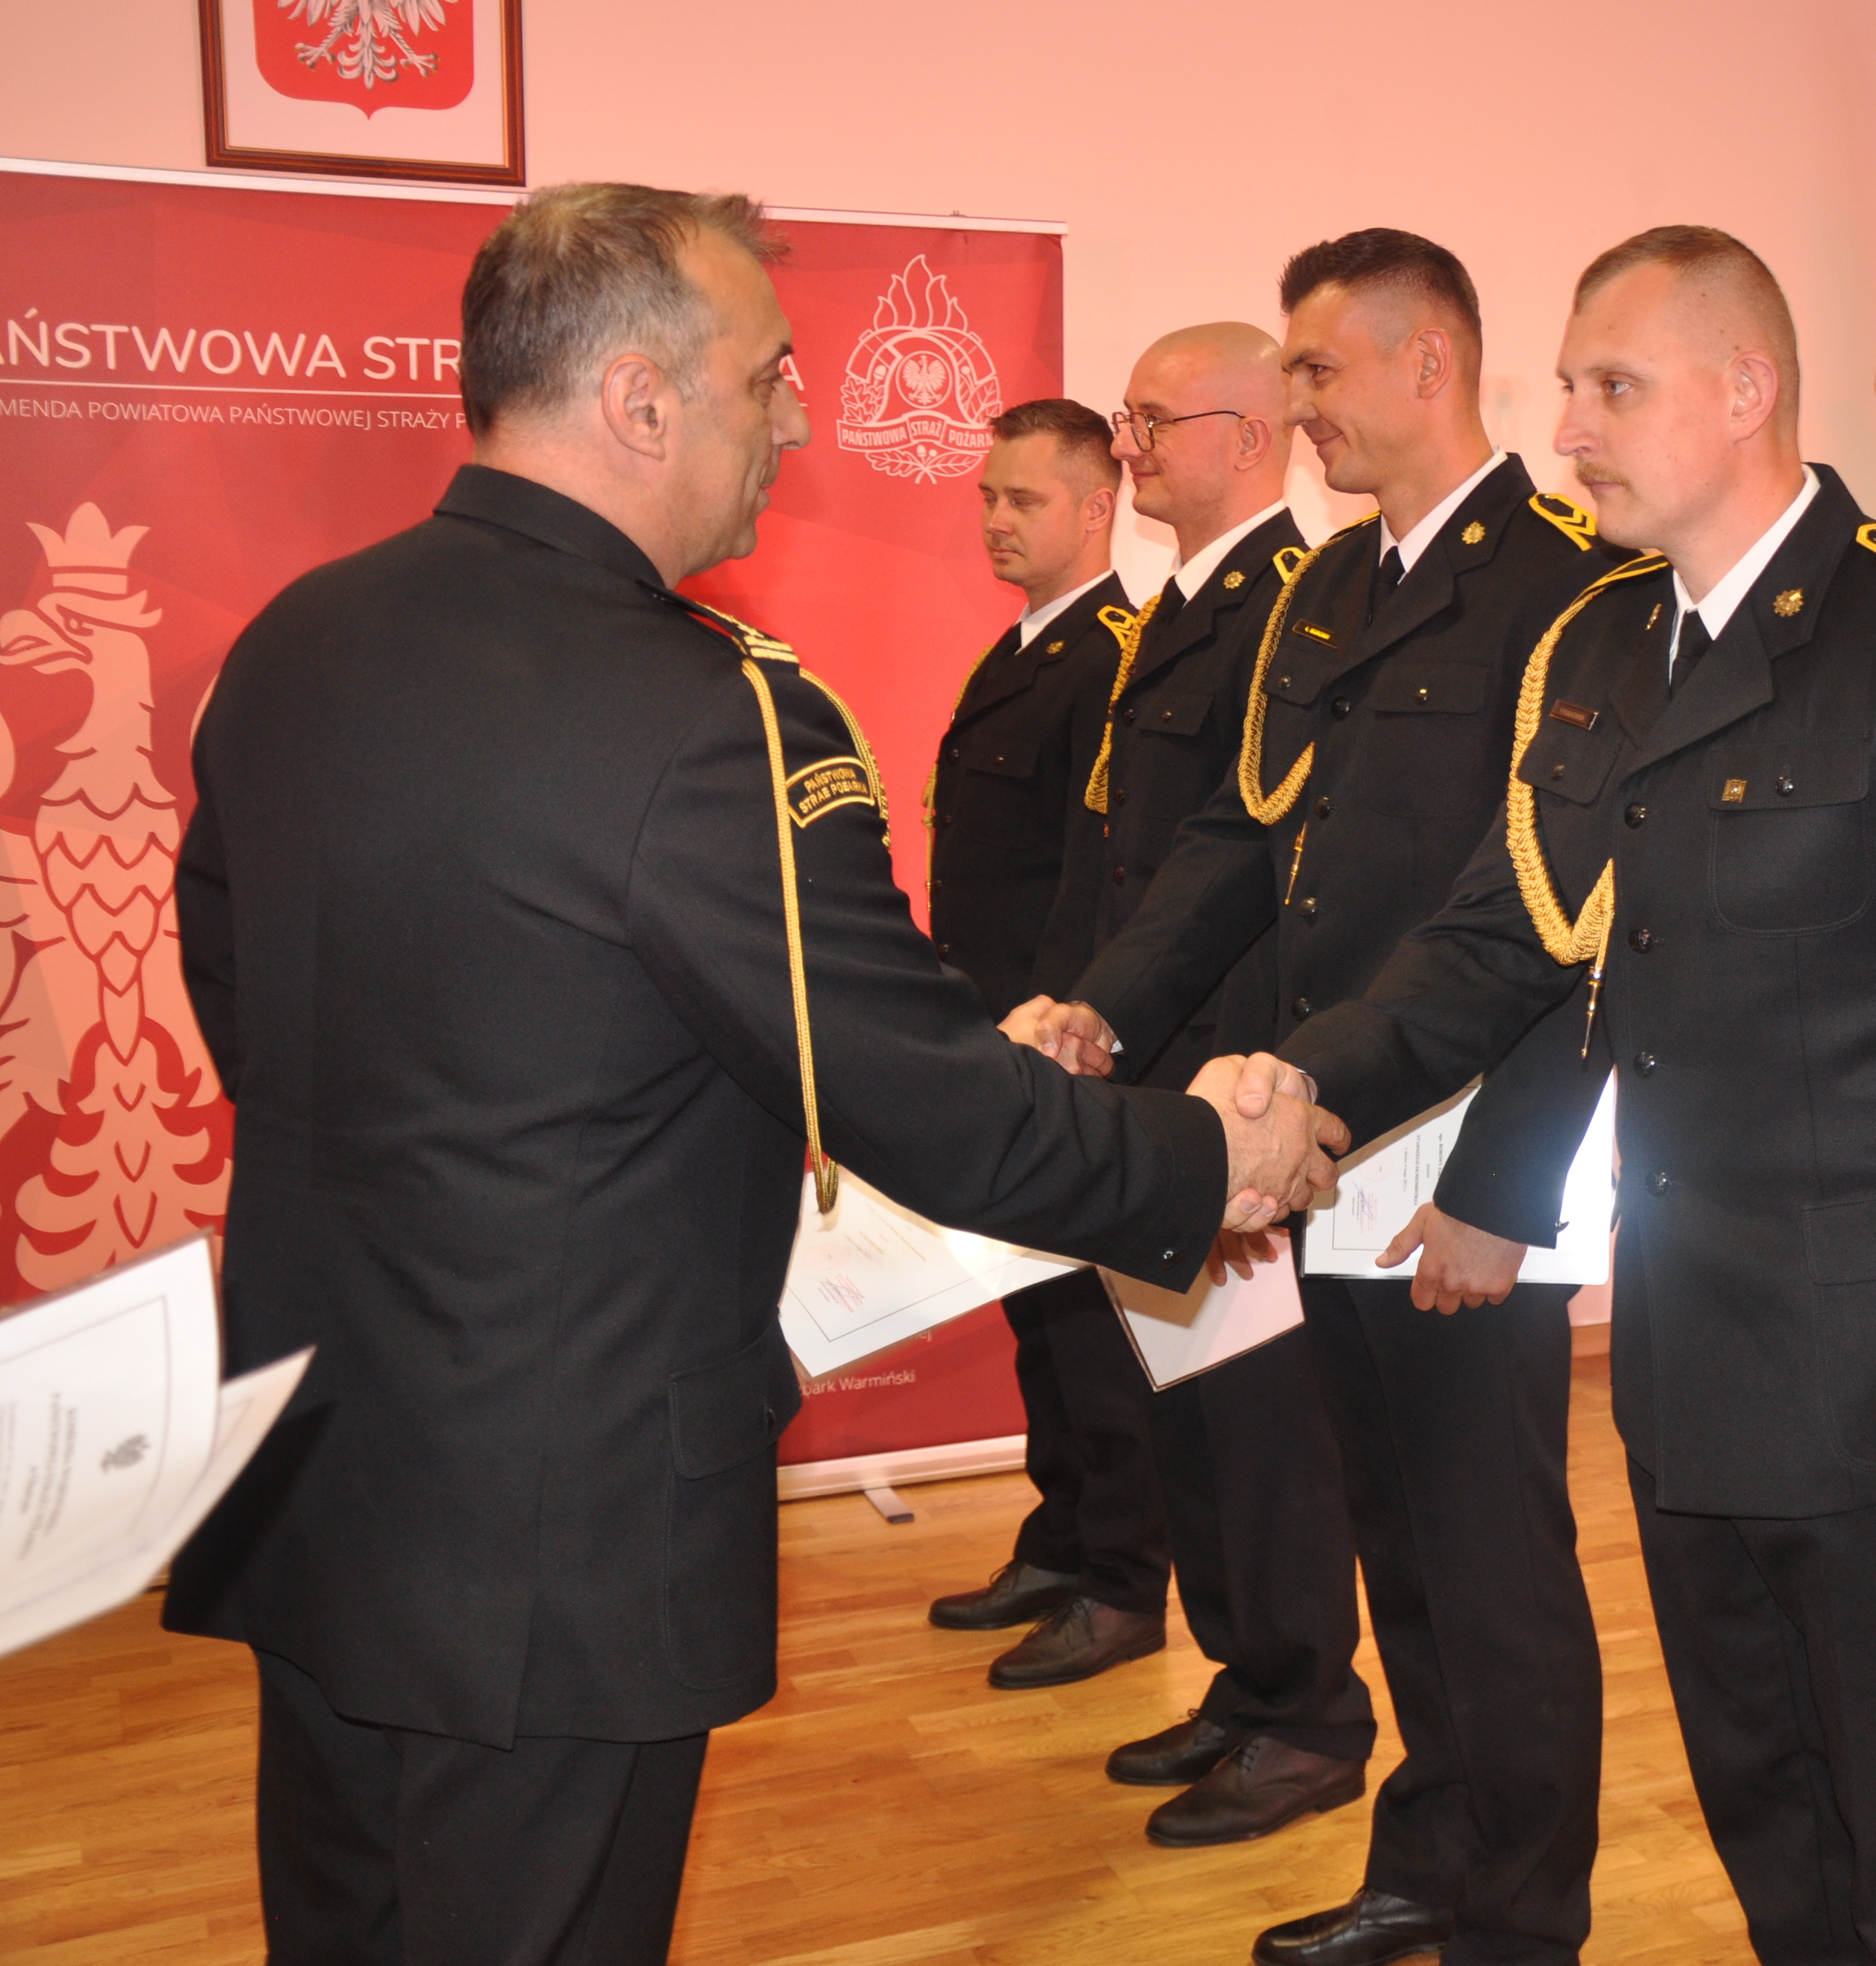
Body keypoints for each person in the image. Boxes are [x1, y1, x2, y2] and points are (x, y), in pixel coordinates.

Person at [160, 182, 1336, 1966]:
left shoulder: (298, 638)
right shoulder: (706, 715)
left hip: (327, 1460)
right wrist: (1204, 1155)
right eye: (771, 375)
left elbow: (243, 996)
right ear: (640, 400)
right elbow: (919, 1095)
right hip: (561, 1517)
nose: (797, 422)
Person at [1266, 224, 1876, 1964]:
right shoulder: (1598, 648)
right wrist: (1285, 1084)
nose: (1567, 429)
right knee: (1762, 1813)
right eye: (1569, 385)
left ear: (1745, 391)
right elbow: (1501, 940)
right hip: (1687, 1360)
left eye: (1611, 386)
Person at [1024, 230, 1619, 1966]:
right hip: (1325, 1133)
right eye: (1287, 373)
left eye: (1319, 370)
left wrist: (1505, 1191)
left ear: (1429, 362)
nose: (1300, 405)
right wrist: (1103, 1003)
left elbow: (1579, 924)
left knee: (1492, 1561)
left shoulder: (1567, 588)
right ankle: (1431, 1857)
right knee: (1399, 1542)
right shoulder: (1329, 587)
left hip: (1462, 1153)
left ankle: (1523, 1918)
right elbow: (1241, 837)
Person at [1080, 323, 1375, 1849]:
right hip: (1155, 1072)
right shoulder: (1186, 608)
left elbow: (1264, 870)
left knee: (1259, 1420)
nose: (1126, 446)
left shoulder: (1288, 606)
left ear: (1244, 437)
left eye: (1152, 419)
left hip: (1233, 1083)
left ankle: (1308, 1712)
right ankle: (1246, 1677)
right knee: (1190, 1406)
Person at [921, 398, 1171, 1695]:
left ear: (1098, 506)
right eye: (987, 496)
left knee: (1090, 1328)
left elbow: (1101, 875)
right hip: (997, 1040)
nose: (997, 521)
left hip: (1063, 1046)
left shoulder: (1115, 659)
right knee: (1038, 1315)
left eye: (1025, 500)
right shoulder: (1018, 651)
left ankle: (1123, 1580)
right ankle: (1062, 1540)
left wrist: (1070, 1028)